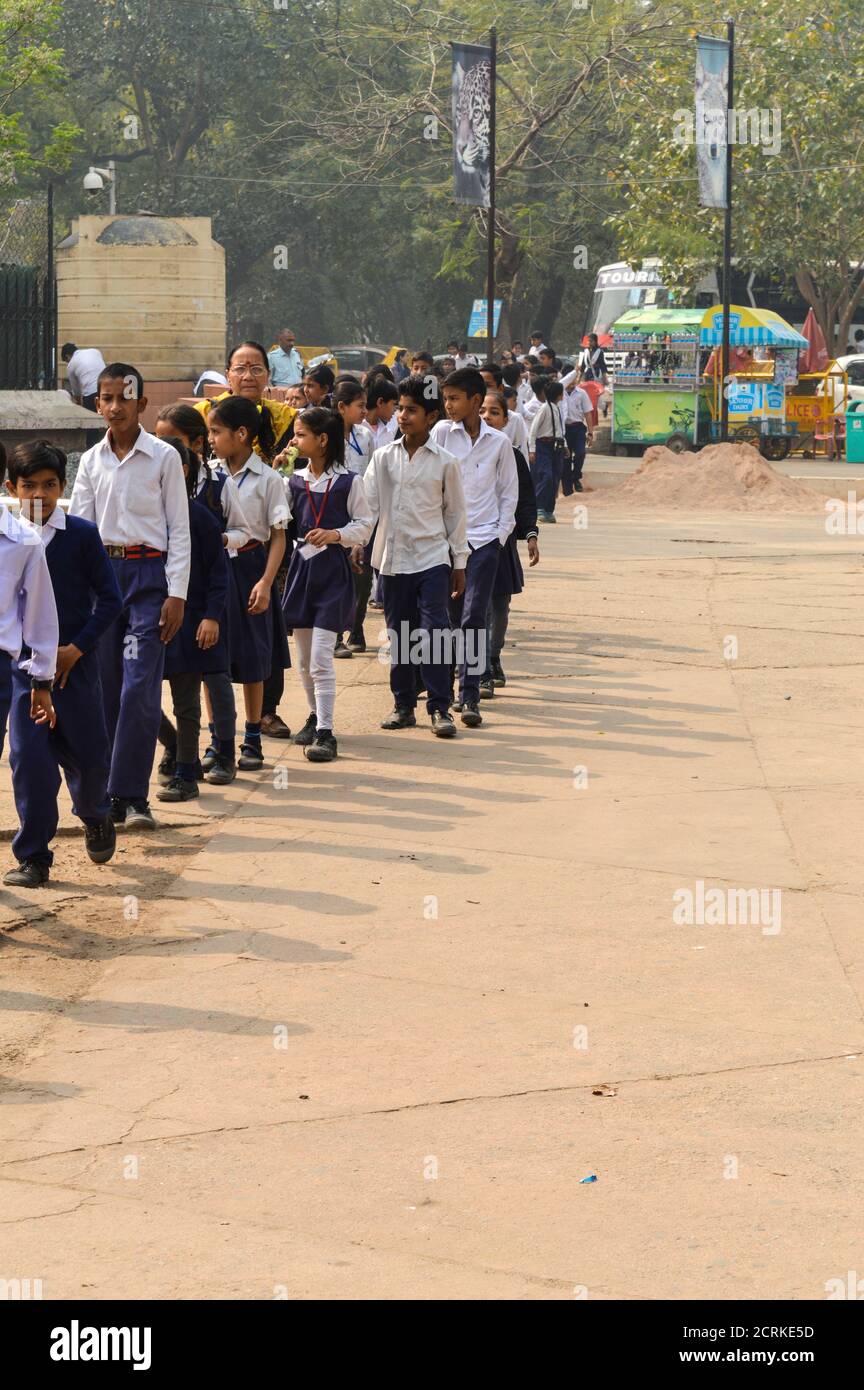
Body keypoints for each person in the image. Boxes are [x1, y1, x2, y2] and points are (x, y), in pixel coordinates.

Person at [70, 363, 190, 830]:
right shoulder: (90, 461)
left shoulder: (163, 458)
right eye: (106, 398)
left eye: (124, 398)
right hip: (103, 581)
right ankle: (106, 797)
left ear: (143, 403)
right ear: (96, 403)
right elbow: (78, 531)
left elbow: (179, 529)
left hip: (148, 579)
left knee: (139, 686)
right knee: (104, 688)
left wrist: (176, 593)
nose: (114, 407)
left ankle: (133, 795)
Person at [4, 442, 114, 887]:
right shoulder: (6, 537)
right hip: (23, 667)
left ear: (62, 487)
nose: (40, 495)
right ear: (11, 488)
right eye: (29, 485)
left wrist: (77, 648)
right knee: (29, 759)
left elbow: (110, 599)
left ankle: (94, 813)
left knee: (88, 757)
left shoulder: (82, 535)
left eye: (49, 485)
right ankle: (34, 855)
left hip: (77, 664)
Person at [361, 374, 467, 738]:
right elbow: (367, 507)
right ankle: (403, 705)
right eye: (401, 409)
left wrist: (459, 564)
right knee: (400, 634)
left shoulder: (445, 462)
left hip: (433, 558)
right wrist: (355, 541)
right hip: (392, 560)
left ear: (432, 416)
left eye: (412, 410)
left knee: (435, 631)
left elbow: (455, 515)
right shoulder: (383, 458)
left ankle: (440, 707)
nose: (403, 416)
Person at [155, 402, 250, 772]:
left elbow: (245, 533)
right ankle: (178, 746)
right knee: (165, 683)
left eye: (172, 442)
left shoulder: (216, 484)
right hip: (168, 599)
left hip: (209, 591)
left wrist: (214, 539)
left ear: (194, 445)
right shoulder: (152, 492)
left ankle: (224, 750)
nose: (161, 450)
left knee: (215, 675)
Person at [280, 409, 372, 762]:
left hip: (333, 572)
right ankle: (315, 714)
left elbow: (364, 524)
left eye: (301, 435)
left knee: (320, 656)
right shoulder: (294, 481)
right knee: (303, 660)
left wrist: (336, 535)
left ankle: (326, 732)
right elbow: (278, 515)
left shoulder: (349, 482)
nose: (295, 440)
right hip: (302, 571)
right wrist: (282, 468)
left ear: (322, 440)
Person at [431, 367, 518, 727]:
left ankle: (469, 696)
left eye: (454, 398)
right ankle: (445, 688)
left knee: (473, 617)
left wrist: (499, 536)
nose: (448, 405)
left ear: (475, 401)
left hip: (483, 541)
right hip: (444, 541)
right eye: (445, 398)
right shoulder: (439, 434)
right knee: (446, 618)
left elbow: (508, 493)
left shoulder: (499, 443)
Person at [206, 396, 289, 771]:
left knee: (253, 658)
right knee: (211, 656)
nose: (210, 438)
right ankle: (217, 736)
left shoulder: (269, 479)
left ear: (241, 434)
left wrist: (266, 582)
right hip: (214, 568)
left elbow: (278, 537)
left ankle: (252, 737)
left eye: (216, 431)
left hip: (252, 568)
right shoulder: (208, 474)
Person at [155, 438, 231, 802]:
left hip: (190, 621)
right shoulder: (144, 517)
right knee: (134, 696)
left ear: (181, 470)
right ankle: (173, 744)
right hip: (147, 620)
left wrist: (212, 617)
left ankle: (187, 772)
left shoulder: (200, 517)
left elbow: (219, 574)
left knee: (186, 701)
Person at [477, 394, 539, 695]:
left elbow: (525, 499)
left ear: (506, 419)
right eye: (482, 411)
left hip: (500, 544)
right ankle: (481, 670)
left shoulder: (513, 457)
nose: (487, 416)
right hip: (469, 543)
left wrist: (530, 533)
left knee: (499, 607)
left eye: (494, 412)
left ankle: (493, 655)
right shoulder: (459, 452)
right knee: (474, 609)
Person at [194, 342, 296, 464]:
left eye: (256, 369)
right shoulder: (203, 413)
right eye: (240, 369)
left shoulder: (284, 416)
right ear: (228, 375)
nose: (248, 376)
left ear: (268, 375)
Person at [332, 379, 377, 657]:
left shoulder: (365, 435)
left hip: (363, 510)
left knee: (363, 574)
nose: (364, 411)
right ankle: (335, 634)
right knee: (337, 577)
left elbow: (372, 474)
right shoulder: (325, 434)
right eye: (359, 406)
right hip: (335, 512)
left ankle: (357, 628)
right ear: (341, 406)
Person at [528, 376, 565, 523]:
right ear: (558, 395)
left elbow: (559, 430)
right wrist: (532, 450)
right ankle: (539, 507)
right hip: (543, 446)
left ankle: (549, 509)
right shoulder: (543, 409)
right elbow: (533, 430)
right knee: (546, 476)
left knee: (555, 478)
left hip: (555, 446)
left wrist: (565, 446)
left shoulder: (556, 408)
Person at [559, 369, 595, 494]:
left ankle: (576, 477)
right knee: (565, 459)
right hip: (564, 429)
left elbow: (588, 414)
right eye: (572, 378)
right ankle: (568, 490)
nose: (574, 381)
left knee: (580, 453)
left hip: (578, 428)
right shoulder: (559, 393)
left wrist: (590, 433)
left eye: (576, 378)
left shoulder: (581, 393)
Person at [61, 342, 106, 411]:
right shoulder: (95, 351)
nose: (68, 363)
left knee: (91, 419)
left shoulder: (71, 365)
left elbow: (77, 392)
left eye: (66, 361)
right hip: (108, 389)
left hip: (91, 395)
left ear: (67, 356)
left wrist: (80, 408)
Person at [366, 377, 399, 447]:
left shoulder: (388, 434)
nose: (395, 410)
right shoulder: (355, 430)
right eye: (393, 404)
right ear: (380, 402)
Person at [501, 386, 530, 454]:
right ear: (504, 400)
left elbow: (521, 444)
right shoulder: (516, 417)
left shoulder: (516, 418)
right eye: (514, 400)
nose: (516, 404)